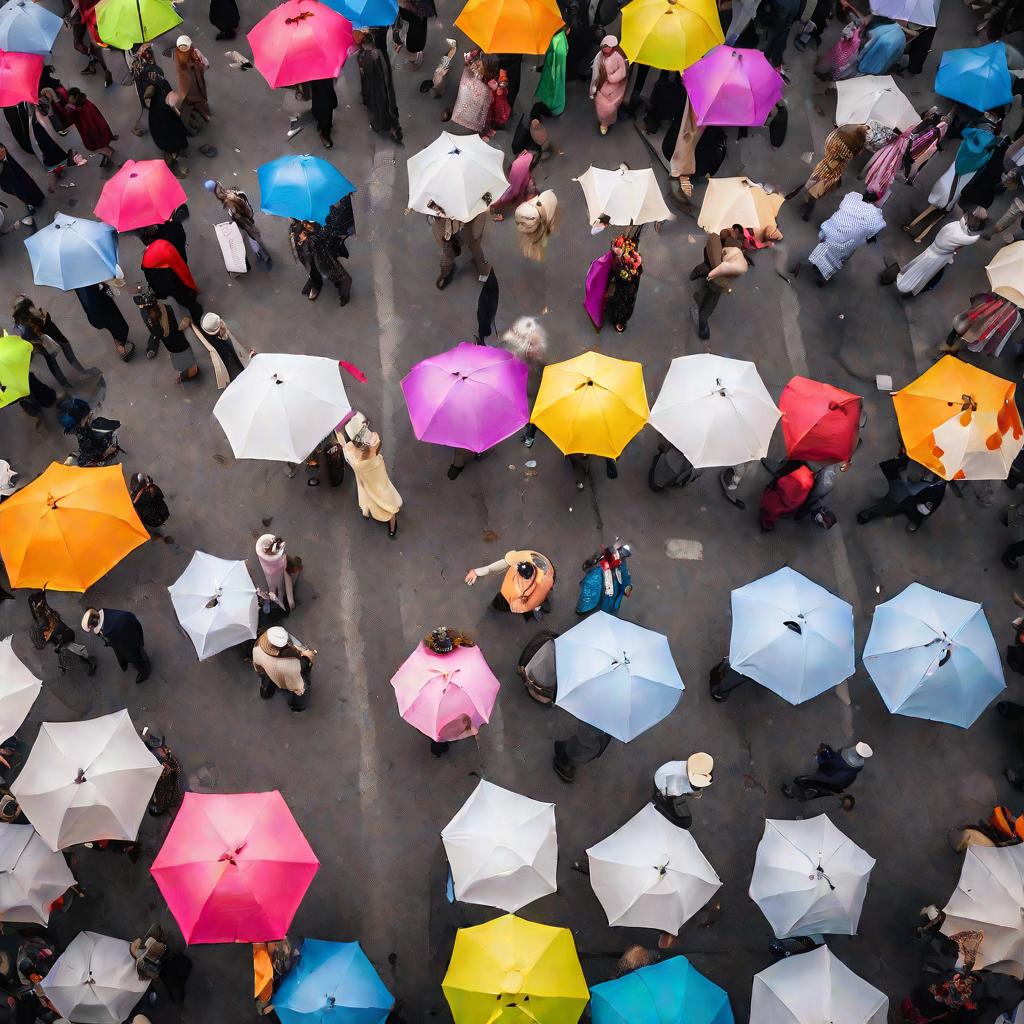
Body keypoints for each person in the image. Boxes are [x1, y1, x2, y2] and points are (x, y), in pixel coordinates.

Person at [903, 123, 1000, 242]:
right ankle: (920, 237)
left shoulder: (966, 146)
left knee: (931, 207)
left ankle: (911, 225)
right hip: (956, 192)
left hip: (946, 183)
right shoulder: (985, 155)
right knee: (938, 217)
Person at [893, 210, 986, 296]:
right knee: (928, 271)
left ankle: (908, 279)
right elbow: (973, 239)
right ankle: (913, 287)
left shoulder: (955, 224)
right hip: (941, 255)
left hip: (934, 247)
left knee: (920, 264)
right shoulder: (969, 239)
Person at [341, 412, 402, 538]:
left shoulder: (357, 460)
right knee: (386, 497)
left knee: (372, 496)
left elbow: (350, 457)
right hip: (379, 476)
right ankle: (392, 524)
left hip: (368, 479)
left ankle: (386, 519)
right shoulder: (374, 441)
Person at [789, 124, 868, 221]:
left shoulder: (838, 144)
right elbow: (856, 153)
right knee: (817, 190)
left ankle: (807, 211)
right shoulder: (847, 153)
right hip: (833, 173)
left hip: (825, 172)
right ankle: (810, 202)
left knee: (813, 193)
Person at [11, 295, 92, 389]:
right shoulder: (26, 323)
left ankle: (67, 381)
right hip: (44, 338)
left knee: (54, 357)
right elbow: (36, 328)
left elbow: (39, 323)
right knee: (56, 355)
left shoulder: (23, 322)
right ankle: (74, 376)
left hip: (46, 336)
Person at [807, 191, 885, 285]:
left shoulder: (851, 197)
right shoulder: (874, 217)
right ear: (873, 202)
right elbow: (876, 229)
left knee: (824, 248)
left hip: (829, 231)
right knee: (835, 260)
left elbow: (841, 206)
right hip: (845, 244)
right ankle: (821, 279)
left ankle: (816, 264)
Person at [855, 453, 945, 532]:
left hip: (916, 499)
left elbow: (929, 505)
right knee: (896, 487)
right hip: (905, 478)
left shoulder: (938, 485)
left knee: (902, 500)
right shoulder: (922, 454)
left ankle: (916, 522)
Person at [690, 231, 749, 340]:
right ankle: (703, 330)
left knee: (702, 269)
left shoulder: (715, 236)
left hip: (709, 263)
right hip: (717, 282)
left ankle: (694, 277)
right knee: (708, 305)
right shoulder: (731, 252)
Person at [464, 548, 555, 619]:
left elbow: (526, 606)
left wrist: (530, 605)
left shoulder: (543, 582)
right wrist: (478, 571)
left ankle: (538, 606)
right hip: (509, 595)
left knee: (500, 605)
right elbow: (505, 562)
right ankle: (538, 605)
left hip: (510, 600)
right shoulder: (526, 557)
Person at [133, 289, 200, 383]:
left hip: (171, 346)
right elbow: (181, 324)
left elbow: (156, 332)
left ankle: (185, 374)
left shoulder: (146, 317)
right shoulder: (168, 309)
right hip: (181, 343)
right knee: (190, 364)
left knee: (180, 362)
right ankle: (188, 373)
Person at [203, 179, 271, 268]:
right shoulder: (229, 192)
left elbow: (238, 214)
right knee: (253, 236)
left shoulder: (227, 200)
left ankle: (264, 255)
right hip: (247, 217)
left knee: (253, 237)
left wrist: (240, 221)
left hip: (245, 222)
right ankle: (260, 251)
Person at [28, 591, 97, 675]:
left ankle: (89, 662)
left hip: (60, 634)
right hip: (59, 634)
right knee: (67, 650)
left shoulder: (42, 612)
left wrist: (47, 634)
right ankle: (73, 662)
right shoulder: (43, 608)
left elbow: (46, 624)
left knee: (73, 649)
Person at [428, 202, 491, 290]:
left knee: (471, 248)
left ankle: (445, 274)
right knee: (473, 249)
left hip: (459, 228)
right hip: (458, 228)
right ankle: (482, 271)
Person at [288, 218, 352, 305]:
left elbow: (326, 232)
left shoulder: (312, 225)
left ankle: (343, 294)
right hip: (308, 251)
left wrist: (311, 228)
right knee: (312, 270)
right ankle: (316, 282)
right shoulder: (294, 231)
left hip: (323, 253)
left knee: (339, 277)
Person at [782, 740, 872, 801]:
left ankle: (793, 793)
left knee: (804, 781)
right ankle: (810, 792)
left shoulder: (845, 755)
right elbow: (847, 779)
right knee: (816, 786)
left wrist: (821, 756)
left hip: (827, 775)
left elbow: (832, 761)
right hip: (834, 782)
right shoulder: (858, 766)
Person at [252, 625, 315, 712]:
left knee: (267, 678)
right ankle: (297, 706)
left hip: (264, 670)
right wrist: (308, 656)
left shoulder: (258, 645)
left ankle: (266, 692)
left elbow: (257, 666)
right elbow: (296, 681)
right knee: (302, 686)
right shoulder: (289, 664)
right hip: (284, 673)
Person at [941, 291, 1022, 357]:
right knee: (968, 338)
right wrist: (991, 349)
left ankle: (949, 344)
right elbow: (1001, 333)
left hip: (970, 320)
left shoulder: (994, 295)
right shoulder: (1013, 314)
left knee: (959, 330)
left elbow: (975, 300)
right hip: (981, 331)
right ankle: (953, 349)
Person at [81, 607, 151, 683]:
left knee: (134, 657)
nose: (92, 629)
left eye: (91, 627)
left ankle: (144, 672)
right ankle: (131, 658)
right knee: (133, 650)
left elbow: (119, 644)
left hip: (126, 642)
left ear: (94, 622)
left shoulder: (109, 630)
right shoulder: (107, 612)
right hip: (131, 631)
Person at [356, 34, 402, 144]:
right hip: (380, 86)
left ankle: (382, 125)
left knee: (377, 107)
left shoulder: (364, 56)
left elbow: (365, 74)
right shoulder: (377, 53)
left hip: (373, 87)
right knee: (384, 105)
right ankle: (390, 125)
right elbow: (385, 73)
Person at [141, 238, 203, 320]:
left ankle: (193, 309)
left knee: (178, 293)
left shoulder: (149, 258)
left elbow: (150, 276)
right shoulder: (165, 248)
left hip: (158, 273)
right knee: (182, 294)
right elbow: (181, 272)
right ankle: (196, 314)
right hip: (165, 270)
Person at [186, 311, 254, 386]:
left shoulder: (209, 339)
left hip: (221, 348)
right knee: (230, 351)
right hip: (229, 348)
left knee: (224, 355)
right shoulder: (233, 325)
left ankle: (228, 367)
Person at [74, 280, 134, 360]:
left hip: (92, 311)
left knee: (107, 323)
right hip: (101, 303)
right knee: (114, 323)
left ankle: (120, 346)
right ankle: (121, 346)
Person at [57, 88, 116, 167]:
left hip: (94, 133)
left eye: (70, 98)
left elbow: (86, 124)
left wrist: (69, 111)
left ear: (75, 96)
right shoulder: (85, 103)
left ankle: (110, 156)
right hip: (100, 128)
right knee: (103, 144)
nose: (69, 100)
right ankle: (109, 153)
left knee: (99, 147)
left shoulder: (81, 110)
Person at [652, 754, 714, 828]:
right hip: (663, 785)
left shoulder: (693, 766)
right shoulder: (677, 777)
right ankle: (663, 799)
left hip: (668, 779)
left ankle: (671, 796)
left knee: (686, 788)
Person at [144, 78, 190, 178]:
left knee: (176, 143)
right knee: (170, 149)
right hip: (166, 133)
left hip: (166, 126)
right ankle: (172, 168)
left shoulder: (162, 86)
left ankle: (178, 152)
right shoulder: (163, 112)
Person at [590, 36, 627, 134]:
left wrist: (612, 78)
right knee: (601, 109)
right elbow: (595, 74)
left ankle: (607, 122)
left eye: (608, 46)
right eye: (604, 46)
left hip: (614, 90)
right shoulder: (599, 56)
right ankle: (603, 123)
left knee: (611, 109)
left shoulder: (618, 57)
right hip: (601, 88)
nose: (605, 48)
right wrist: (593, 89)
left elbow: (622, 72)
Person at [450, 51, 493, 136]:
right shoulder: (476, 69)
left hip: (478, 90)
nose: (476, 65)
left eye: (479, 65)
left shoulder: (486, 87)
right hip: (473, 88)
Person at [174, 36, 211, 130]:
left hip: (187, 88)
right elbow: (206, 65)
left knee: (188, 102)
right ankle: (204, 114)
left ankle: (196, 112)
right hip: (197, 84)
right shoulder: (195, 54)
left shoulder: (178, 59)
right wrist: (200, 61)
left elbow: (181, 77)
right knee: (200, 99)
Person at [490, 150, 538, 221]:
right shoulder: (523, 165)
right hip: (515, 187)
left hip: (513, 184)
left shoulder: (520, 161)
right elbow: (517, 188)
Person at [256, 535, 299, 612]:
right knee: (277, 588)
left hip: (275, 575)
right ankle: (278, 598)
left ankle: (278, 599)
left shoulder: (278, 559)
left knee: (278, 588)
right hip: (275, 575)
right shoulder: (281, 558)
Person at [514, 190, 559, 261]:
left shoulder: (523, 209)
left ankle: (531, 251)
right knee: (539, 240)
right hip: (537, 227)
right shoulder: (542, 205)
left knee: (532, 240)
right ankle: (536, 252)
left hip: (531, 227)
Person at [0, 144, 44, 212]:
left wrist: (3, 153)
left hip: (4, 162)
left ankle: (34, 200)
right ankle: (30, 201)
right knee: (12, 185)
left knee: (19, 180)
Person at [535, 28, 568, 116]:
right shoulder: (561, 37)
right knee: (557, 82)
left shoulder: (556, 39)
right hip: (556, 65)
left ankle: (552, 105)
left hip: (554, 65)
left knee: (554, 83)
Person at [393, 0, 435, 69]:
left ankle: (415, 58)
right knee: (418, 32)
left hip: (414, 12)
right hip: (416, 11)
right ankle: (416, 56)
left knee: (414, 44)